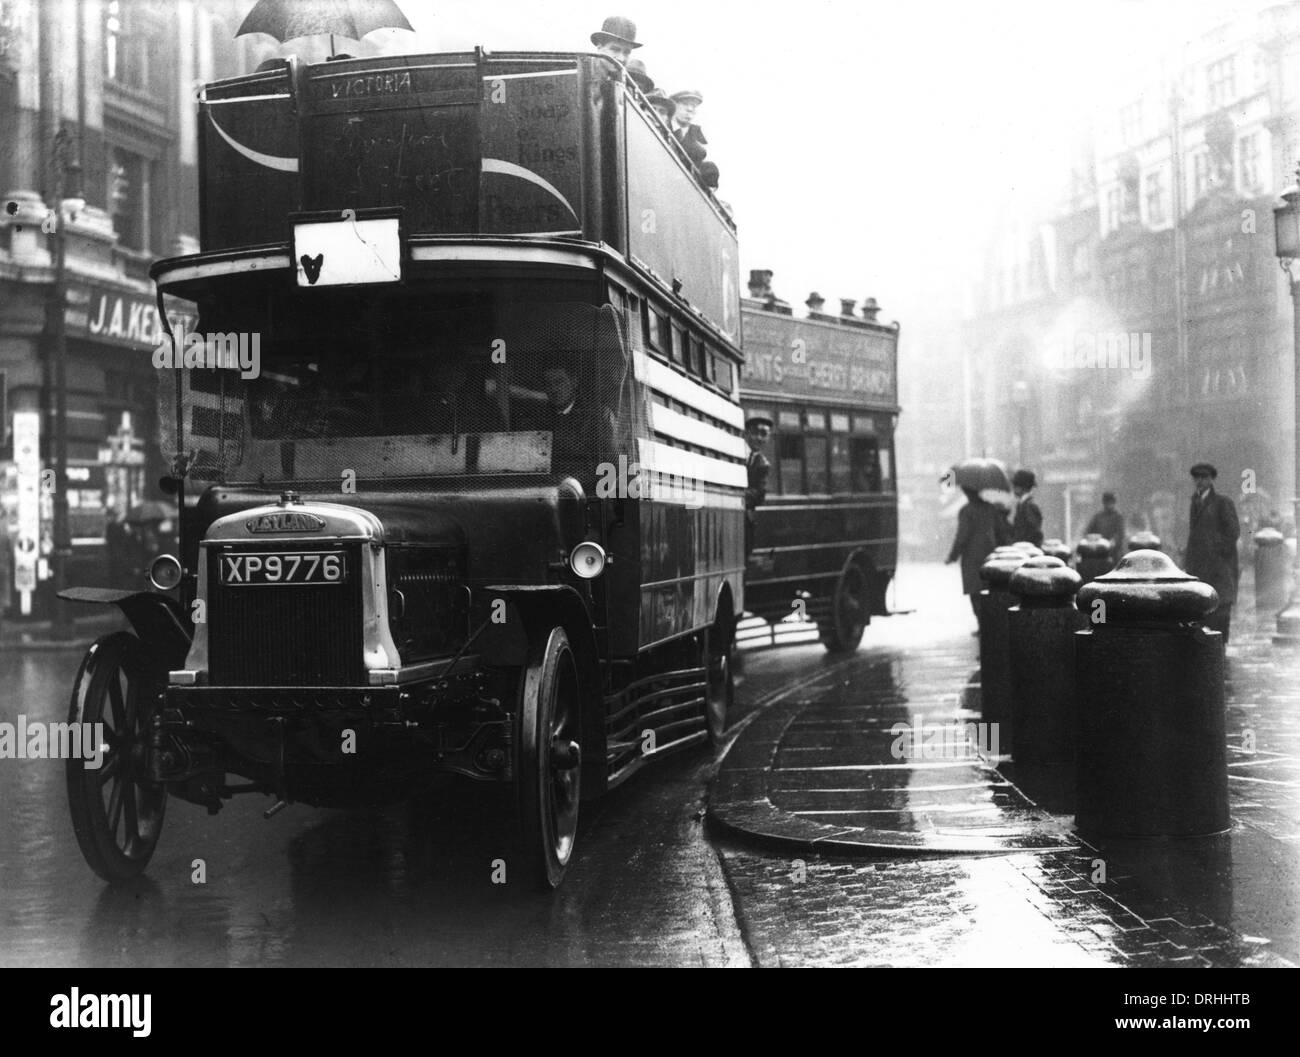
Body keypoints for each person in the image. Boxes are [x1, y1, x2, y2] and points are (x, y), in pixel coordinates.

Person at [1183, 462, 1240, 644]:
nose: (1200, 481)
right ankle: (1209, 651)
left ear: (1211, 480)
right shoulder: (1195, 501)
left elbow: (1233, 531)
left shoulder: (1222, 502)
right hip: (1199, 567)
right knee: (1203, 609)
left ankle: (1219, 651)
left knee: (1220, 609)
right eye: (1197, 478)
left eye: (1204, 478)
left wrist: (1217, 551)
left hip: (1219, 569)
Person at [947, 487, 1014, 625]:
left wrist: (952, 556)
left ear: (966, 493)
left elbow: (962, 536)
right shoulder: (990, 509)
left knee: (975, 593)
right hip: (990, 555)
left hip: (972, 557)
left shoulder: (966, 511)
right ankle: (991, 623)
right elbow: (1001, 532)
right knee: (990, 591)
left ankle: (982, 624)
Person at [743, 415, 772, 555]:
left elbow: (760, 495)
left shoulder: (763, 463)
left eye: (764, 434)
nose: (759, 438)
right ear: (746, 433)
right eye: (755, 433)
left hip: (745, 519)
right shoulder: (735, 453)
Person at [669, 89, 709, 168]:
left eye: (693, 106)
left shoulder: (697, 135)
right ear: (674, 105)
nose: (690, 109)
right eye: (685, 104)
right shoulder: (662, 124)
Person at [1085, 491, 1126, 561]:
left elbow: (1120, 533)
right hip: (1098, 550)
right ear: (1104, 503)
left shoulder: (1118, 517)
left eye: (1111, 502)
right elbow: (1089, 531)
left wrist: (1114, 541)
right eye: (1107, 502)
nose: (1109, 505)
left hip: (1114, 551)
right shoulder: (1097, 517)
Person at [1011, 468, 1044, 547]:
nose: (1013, 488)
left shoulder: (1030, 506)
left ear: (1022, 487)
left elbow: (1034, 533)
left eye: (1016, 485)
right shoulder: (1023, 505)